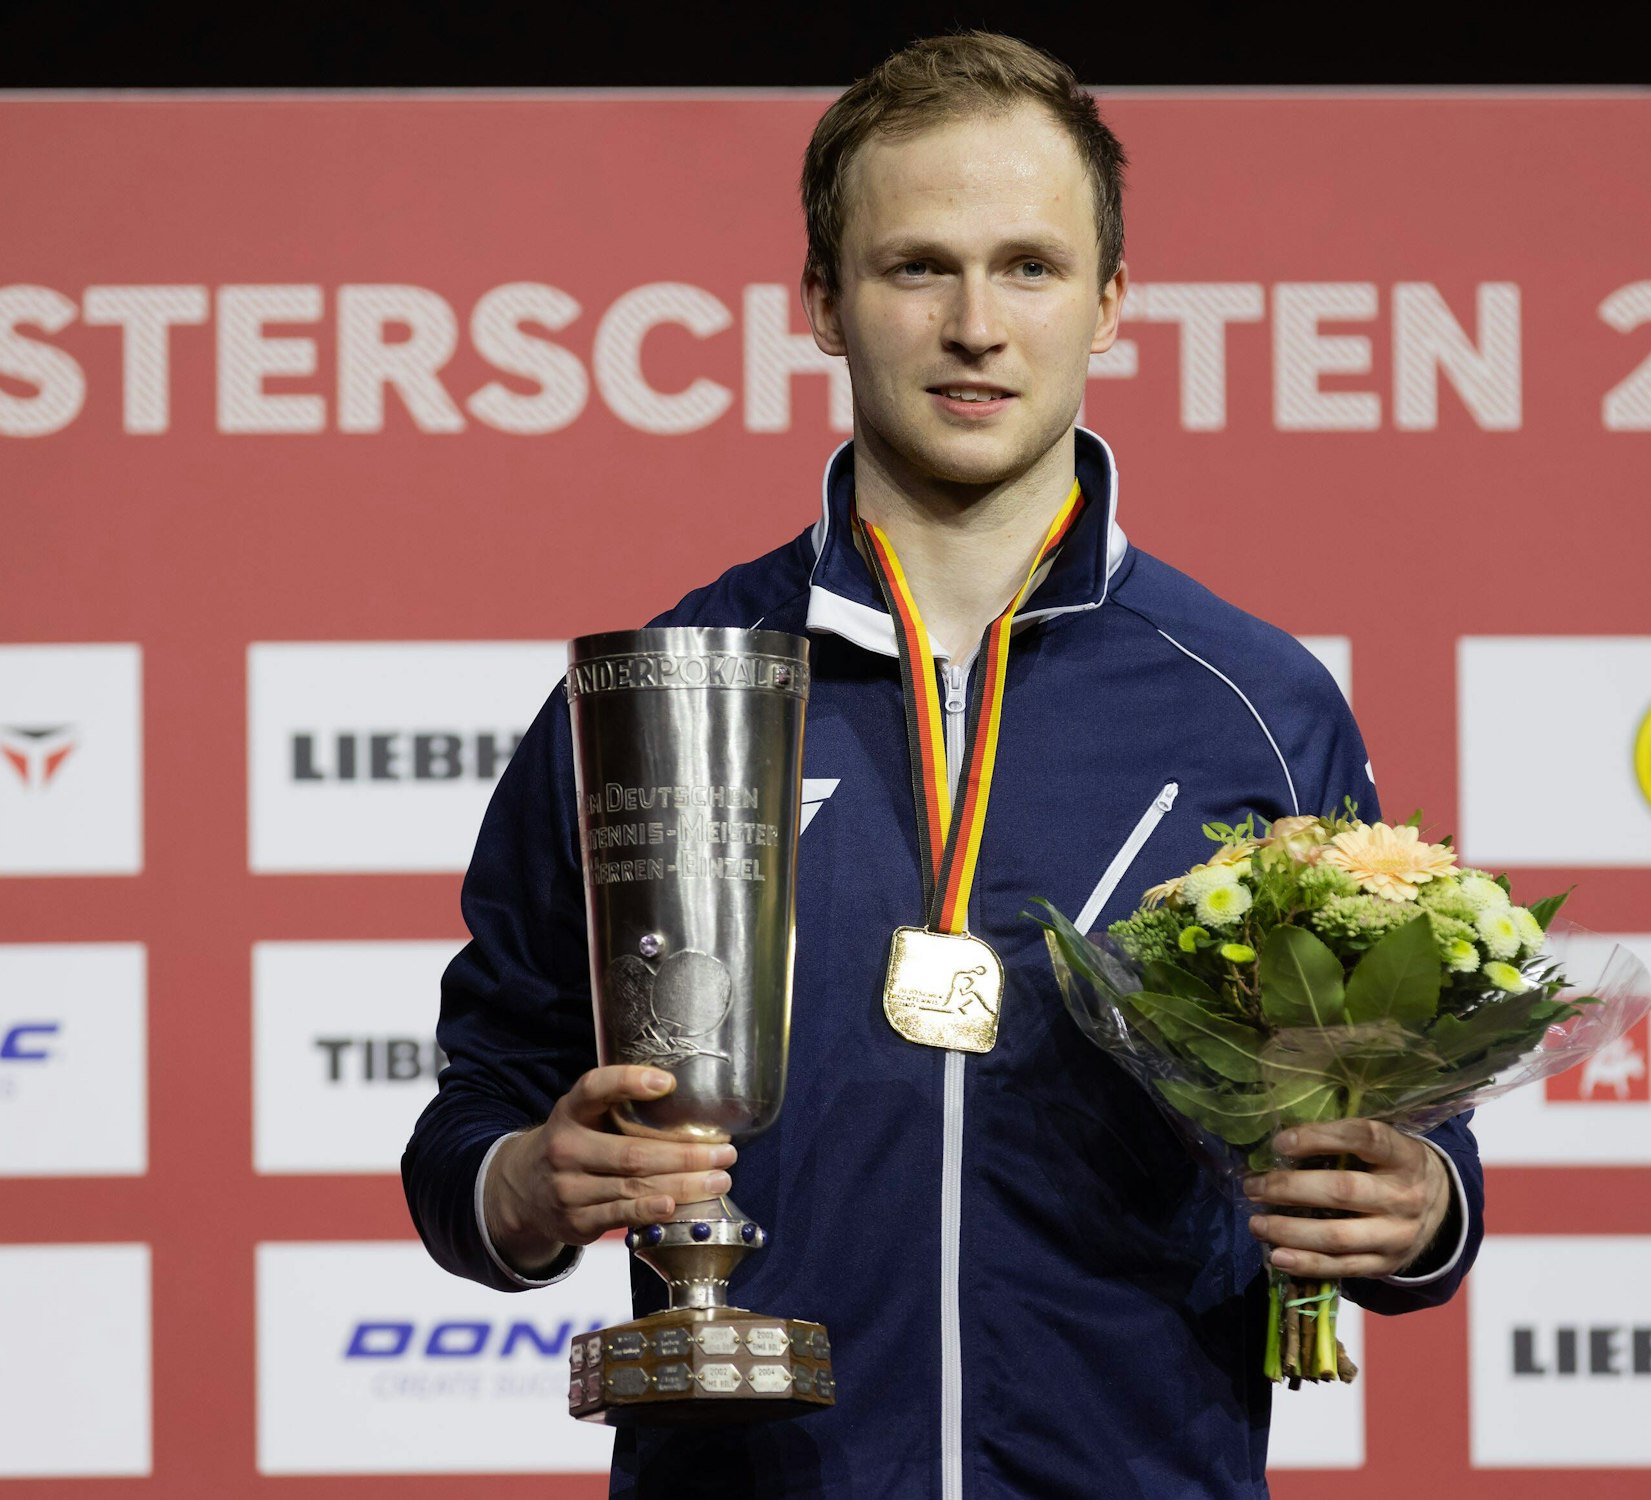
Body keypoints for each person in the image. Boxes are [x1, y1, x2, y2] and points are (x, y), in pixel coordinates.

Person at [404, 32, 1482, 1499]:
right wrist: (525, 1185)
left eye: (1030, 267)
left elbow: (1412, 1129)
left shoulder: (1253, 705)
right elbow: (477, 1111)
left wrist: (1417, 1208)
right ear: (822, 303)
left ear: (1111, 303)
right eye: (918, 268)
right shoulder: (667, 698)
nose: (977, 326)